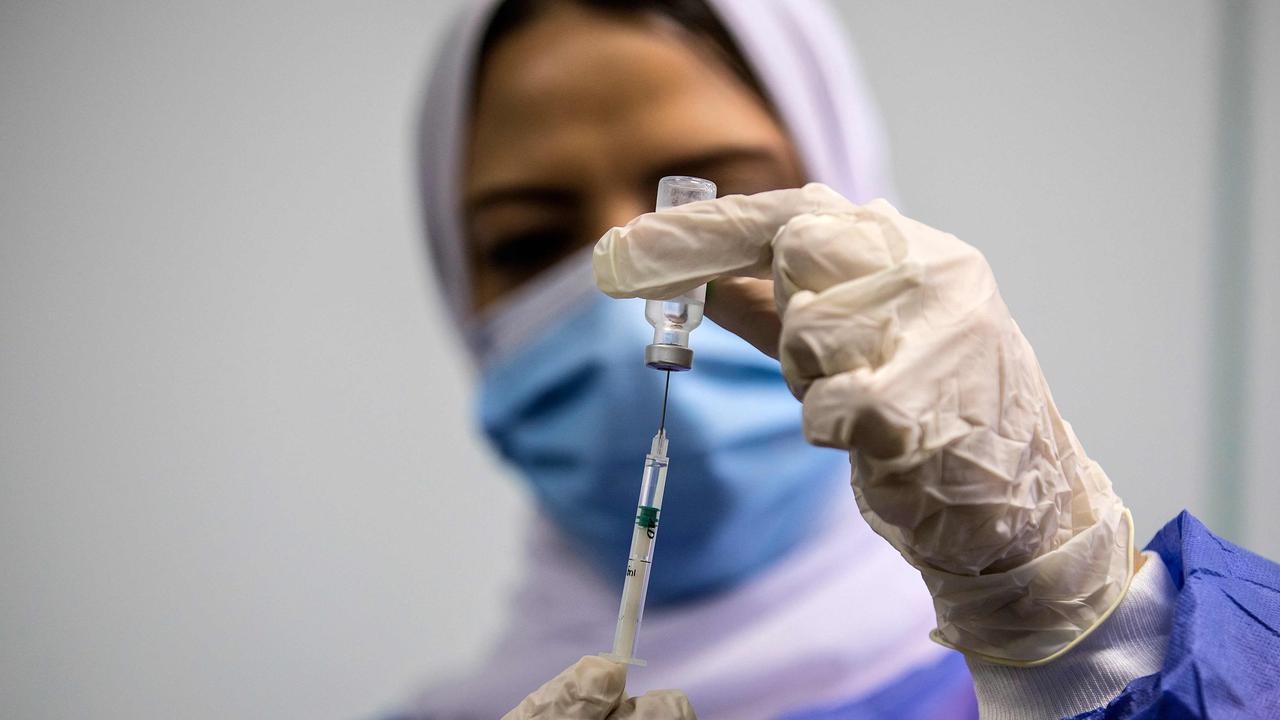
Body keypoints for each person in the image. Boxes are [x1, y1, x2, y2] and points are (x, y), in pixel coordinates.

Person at [404, 1, 1280, 718]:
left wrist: (1084, 646)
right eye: (526, 243)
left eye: (724, 195)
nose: (636, 271)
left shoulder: (1044, 679)